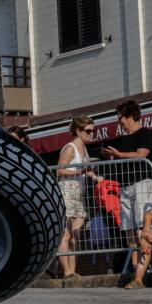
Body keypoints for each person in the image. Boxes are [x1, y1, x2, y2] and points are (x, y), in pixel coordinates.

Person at [98, 101, 152, 233]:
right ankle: (134, 253)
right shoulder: (124, 138)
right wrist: (112, 156)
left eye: (120, 118)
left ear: (129, 116)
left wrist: (119, 154)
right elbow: (123, 157)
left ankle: (147, 253)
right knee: (128, 227)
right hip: (125, 186)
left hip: (141, 183)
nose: (119, 122)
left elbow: (142, 154)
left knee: (143, 225)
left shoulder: (144, 133)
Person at [56, 115, 98, 280]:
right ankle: (67, 271)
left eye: (93, 131)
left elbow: (85, 169)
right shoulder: (70, 148)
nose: (91, 134)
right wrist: (79, 172)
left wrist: (96, 177)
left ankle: (73, 271)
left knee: (76, 234)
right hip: (66, 191)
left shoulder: (84, 149)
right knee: (65, 234)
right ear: (78, 130)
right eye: (88, 131)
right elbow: (60, 170)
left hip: (78, 192)